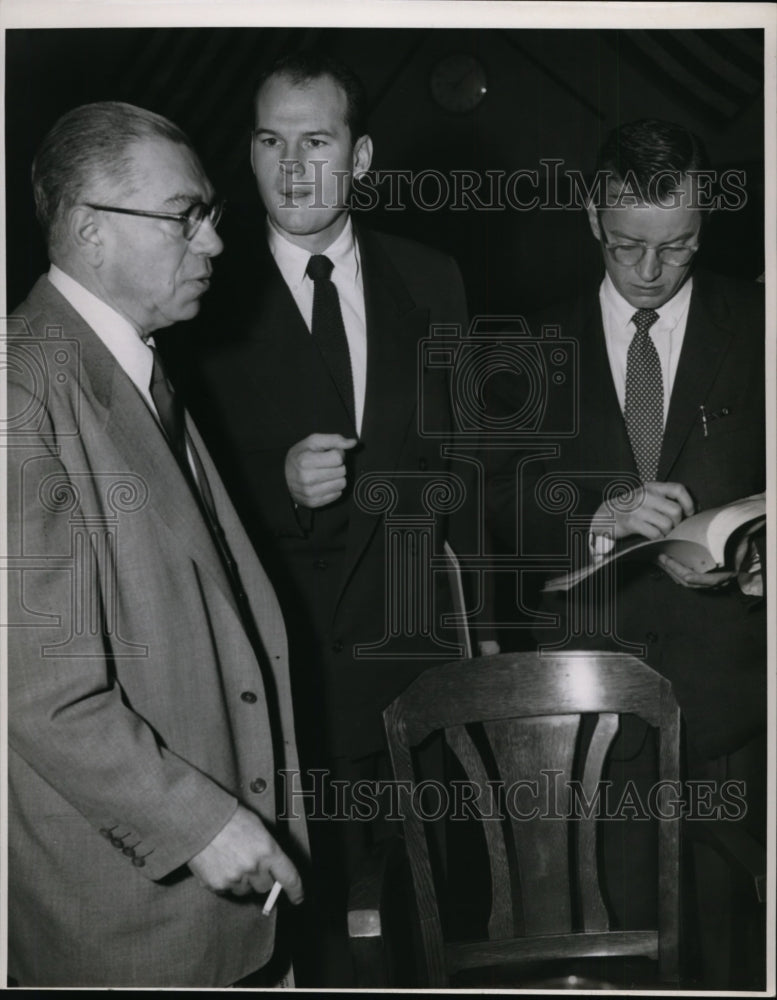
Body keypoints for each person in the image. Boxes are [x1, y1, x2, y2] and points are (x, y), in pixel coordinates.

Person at [162, 52, 496, 982]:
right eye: (272, 141)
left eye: (317, 141)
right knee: (297, 941)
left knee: (438, 933)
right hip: (275, 685)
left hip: (413, 674)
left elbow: (465, 475)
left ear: (362, 158)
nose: (293, 167)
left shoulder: (433, 281)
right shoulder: (195, 294)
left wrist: (480, 654)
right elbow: (155, 501)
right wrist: (273, 483)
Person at [5, 101, 307, 988]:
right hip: (130, 926)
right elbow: (38, 689)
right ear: (92, 231)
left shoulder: (131, 367)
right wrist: (203, 825)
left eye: (209, 215)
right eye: (186, 217)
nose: (212, 243)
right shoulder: (20, 390)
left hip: (216, 918)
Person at [487, 119, 766, 987]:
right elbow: (491, 513)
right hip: (587, 712)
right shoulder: (523, 346)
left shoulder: (760, 324)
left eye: (676, 247)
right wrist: (592, 513)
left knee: (737, 954)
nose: (648, 273)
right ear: (588, 216)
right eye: (625, 246)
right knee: (610, 950)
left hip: (738, 705)